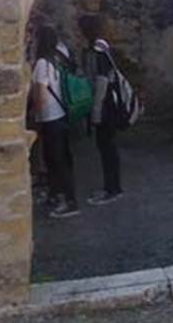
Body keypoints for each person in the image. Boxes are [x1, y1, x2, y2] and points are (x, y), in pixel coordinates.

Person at [31, 25, 79, 217]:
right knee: (57, 159)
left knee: (56, 160)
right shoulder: (57, 59)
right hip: (60, 115)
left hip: (50, 117)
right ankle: (54, 194)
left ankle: (69, 201)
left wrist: (35, 114)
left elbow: (41, 95)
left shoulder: (42, 63)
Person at [80, 16, 124, 205]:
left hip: (105, 107)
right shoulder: (103, 48)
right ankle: (111, 186)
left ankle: (113, 189)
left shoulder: (98, 49)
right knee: (107, 147)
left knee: (107, 147)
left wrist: (96, 110)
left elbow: (102, 80)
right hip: (107, 106)